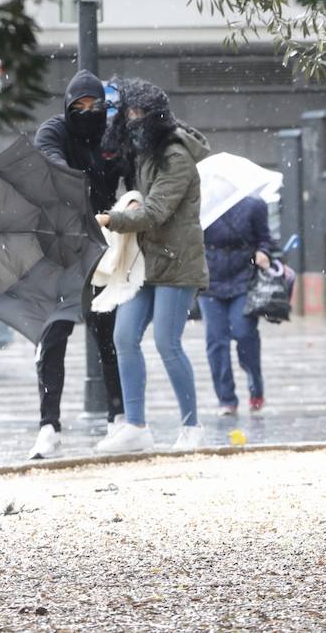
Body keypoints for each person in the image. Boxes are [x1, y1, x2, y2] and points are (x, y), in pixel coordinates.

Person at [94, 79, 210, 454]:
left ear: (154, 115)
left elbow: (157, 210)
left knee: (167, 342)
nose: (132, 119)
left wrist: (112, 219)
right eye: (128, 112)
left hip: (177, 263)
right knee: (124, 337)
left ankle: (192, 427)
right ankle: (136, 426)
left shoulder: (174, 156)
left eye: (139, 113)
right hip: (147, 263)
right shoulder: (143, 153)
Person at [28, 70, 131, 459]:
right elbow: (49, 157)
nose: (88, 113)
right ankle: (48, 426)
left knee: (110, 337)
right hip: (61, 247)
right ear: (67, 107)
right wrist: (74, 182)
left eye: (95, 106)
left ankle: (118, 417)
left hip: (105, 246)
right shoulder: (53, 131)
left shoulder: (113, 136)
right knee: (54, 337)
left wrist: (133, 201)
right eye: (79, 107)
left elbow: (133, 178)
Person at [199, 194, 273, 416]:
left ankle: (255, 385)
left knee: (244, 333)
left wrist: (263, 251)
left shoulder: (254, 205)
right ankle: (226, 398)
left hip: (244, 280)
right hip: (210, 282)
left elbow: (266, 239)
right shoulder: (202, 205)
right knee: (216, 341)